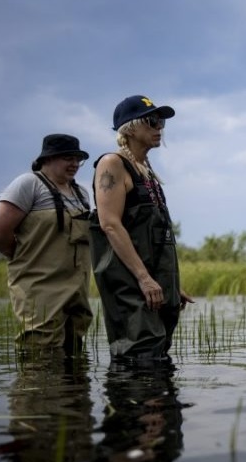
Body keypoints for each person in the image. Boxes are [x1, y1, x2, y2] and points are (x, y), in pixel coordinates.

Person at [90, 95, 194, 361]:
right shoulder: (111, 164)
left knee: (158, 360)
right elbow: (110, 224)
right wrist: (144, 278)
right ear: (130, 128)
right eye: (152, 121)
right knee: (140, 360)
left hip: (155, 287)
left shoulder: (146, 171)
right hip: (132, 287)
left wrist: (170, 285)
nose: (159, 127)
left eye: (161, 122)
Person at [0, 134, 94, 356]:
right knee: (41, 351)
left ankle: (71, 392)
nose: (74, 164)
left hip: (77, 288)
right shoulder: (28, 184)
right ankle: (36, 391)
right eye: (68, 158)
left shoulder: (81, 193)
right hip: (39, 286)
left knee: (74, 350)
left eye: (78, 159)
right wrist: (20, 258)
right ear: (47, 159)